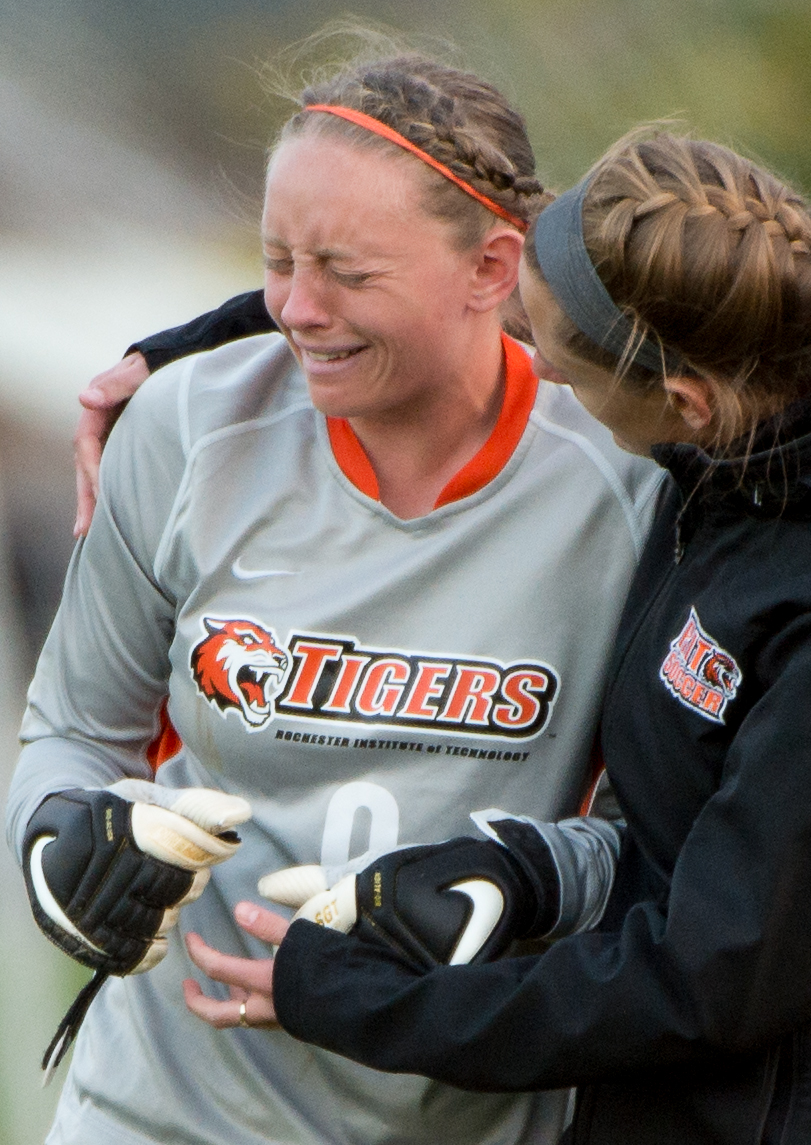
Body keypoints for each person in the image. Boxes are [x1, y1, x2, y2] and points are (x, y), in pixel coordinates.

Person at [6, 48, 660, 1145]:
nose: (296, 309)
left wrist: (522, 878)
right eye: (277, 261)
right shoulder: (186, 426)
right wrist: (57, 840)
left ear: (491, 265)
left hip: (467, 1116)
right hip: (160, 1108)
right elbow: (73, 729)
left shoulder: (625, 474)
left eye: (347, 272)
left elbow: (655, 837)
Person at [183, 132, 811, 1144]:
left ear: (678, 400)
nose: (532, 361)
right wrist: (518, 872)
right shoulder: (734, 465)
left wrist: (365, 1003)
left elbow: (708, 978)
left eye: (555, 354)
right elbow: (434, 269)